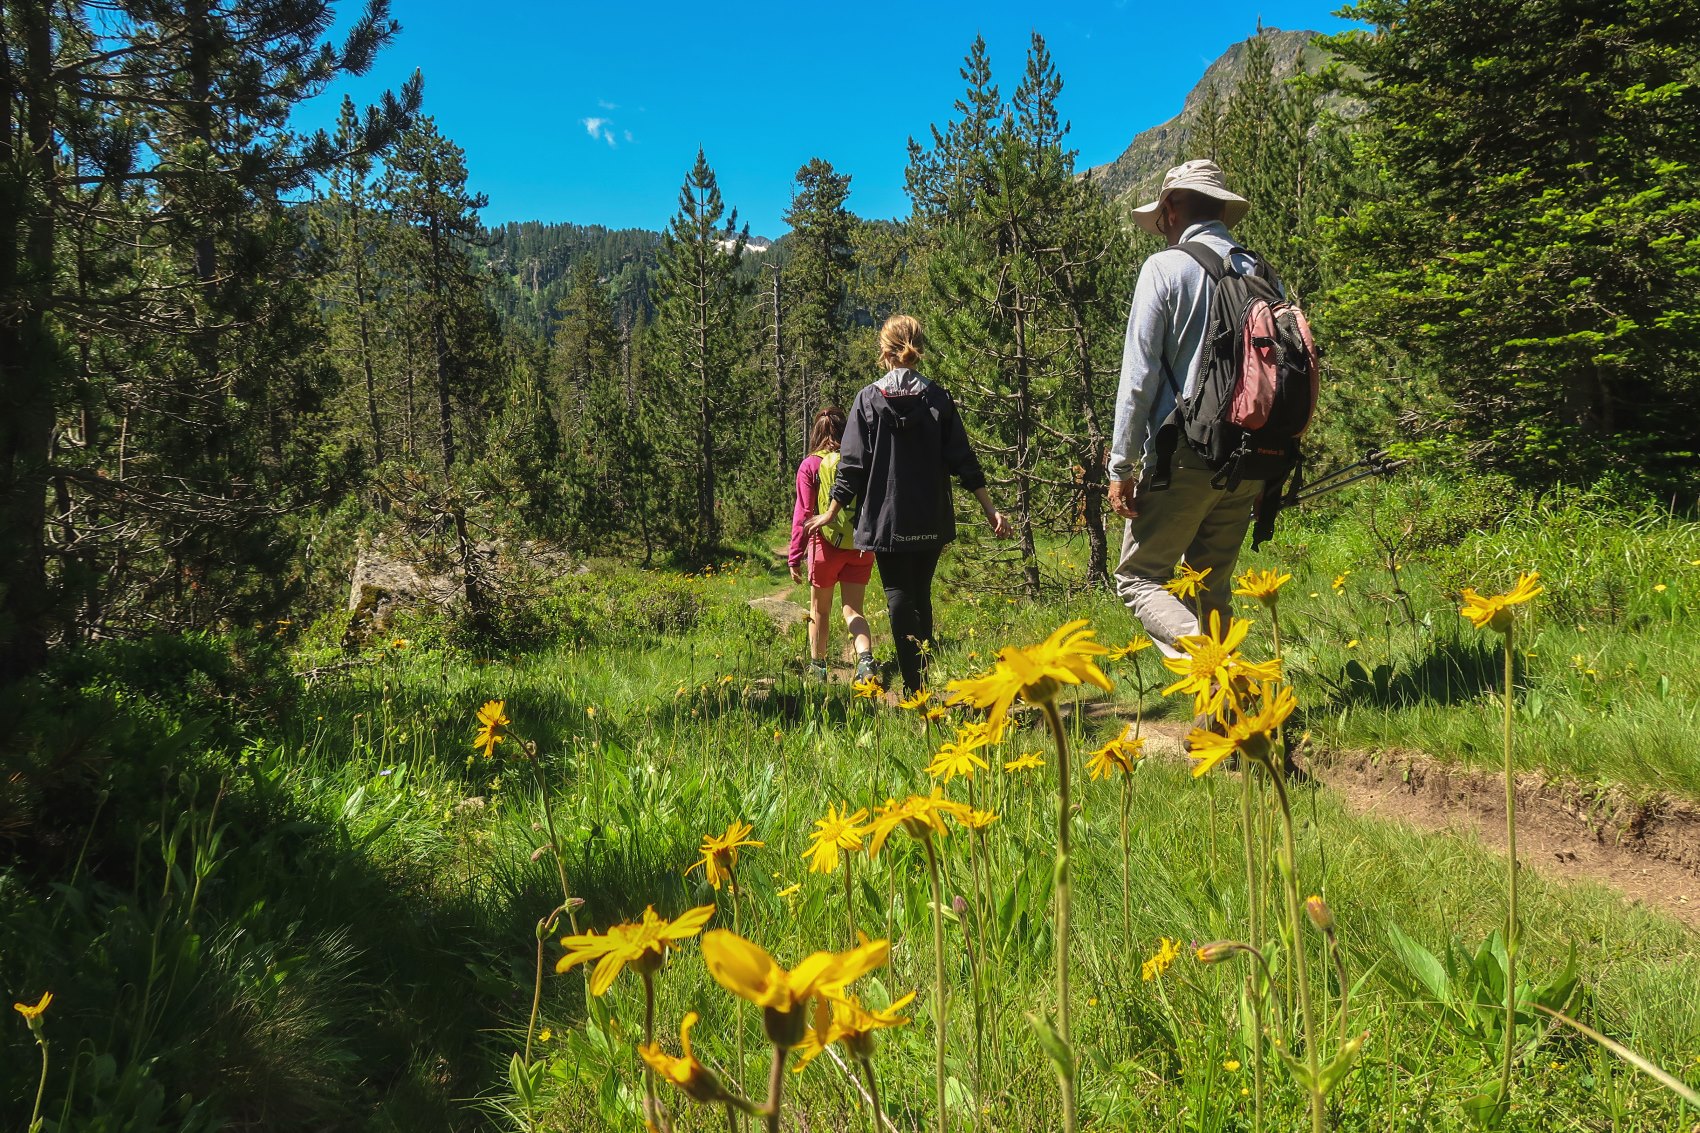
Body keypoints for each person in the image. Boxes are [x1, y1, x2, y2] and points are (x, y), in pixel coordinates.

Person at [805, 315, 1012, 694]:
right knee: (920, 595)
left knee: (899, 597)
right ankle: (921, 678)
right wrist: (989, 508)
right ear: (919, 349)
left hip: (887, 520)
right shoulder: (938, 398)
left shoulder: (868, 399)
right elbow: (962, 459)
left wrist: (832, 512)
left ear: (884, 352)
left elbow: (852, 465)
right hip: (930, 516)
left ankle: (915, 688)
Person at [1109, 159, 1264, 656]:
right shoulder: (1259, 272)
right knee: (1209, 587)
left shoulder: (1164, 268)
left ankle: (1223, 667)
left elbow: (1138, 379)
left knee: (1138, 579)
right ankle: (1220, 726)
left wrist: (1121, 465)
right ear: (1221, 209)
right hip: (1250, 454)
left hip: (1184, 455)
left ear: (1173, 205)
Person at [788, 406, 878, 683]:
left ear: (816, 432)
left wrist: (795, 555)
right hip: (860, 545)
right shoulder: (858, 460)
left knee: (820, 610)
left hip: (823, 546)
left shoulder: (810, 465)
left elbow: (803, 514)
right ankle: (865, 661)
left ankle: (819, 669)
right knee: (853, 610)